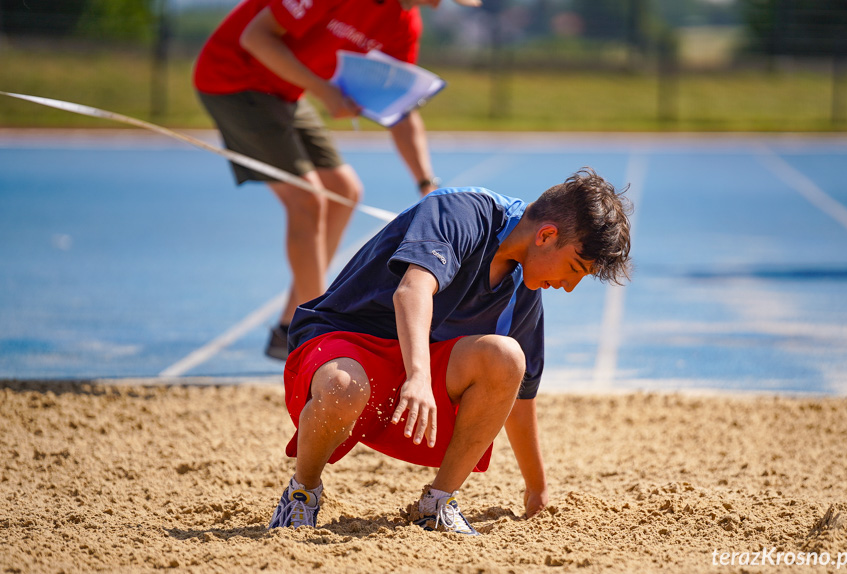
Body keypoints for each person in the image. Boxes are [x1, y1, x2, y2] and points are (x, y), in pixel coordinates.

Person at [267, 168, 632, 535]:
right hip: (344, 348)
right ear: (547, 235)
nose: (568, 287)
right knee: (344, 385)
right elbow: (411, 292)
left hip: (410, 385)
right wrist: (419, 377)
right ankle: (303, 493)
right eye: (574, 269)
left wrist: (537, 489)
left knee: (507, 358)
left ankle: (437, 502)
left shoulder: (524, 290)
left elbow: (520, 398)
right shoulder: (460, 210)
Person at [193, 0, 479, 360]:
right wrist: (324, 90)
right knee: (307, 199)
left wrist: (426, 183)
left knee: (344, 191)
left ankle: (289, 328)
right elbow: (256, 38)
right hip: (232, 79)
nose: (441, 6)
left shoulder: (406, 24)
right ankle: (315, 333)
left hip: (283, 92)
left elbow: (400, 109)